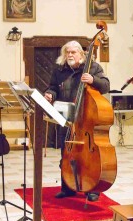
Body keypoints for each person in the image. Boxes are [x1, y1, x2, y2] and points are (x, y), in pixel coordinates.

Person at [44, 41, 110, 202]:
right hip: (67, 119)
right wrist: (50, 94)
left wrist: (93, 79)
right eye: (67, 52)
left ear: (81, 54)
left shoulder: (93, 67)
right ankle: (67, 187)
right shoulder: (59, 70)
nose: (70, 55)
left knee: (88, 157)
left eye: (73, 52)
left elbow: (106, 86)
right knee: (65, 154)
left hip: (86, 120)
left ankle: (92, 189)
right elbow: (53, 87)